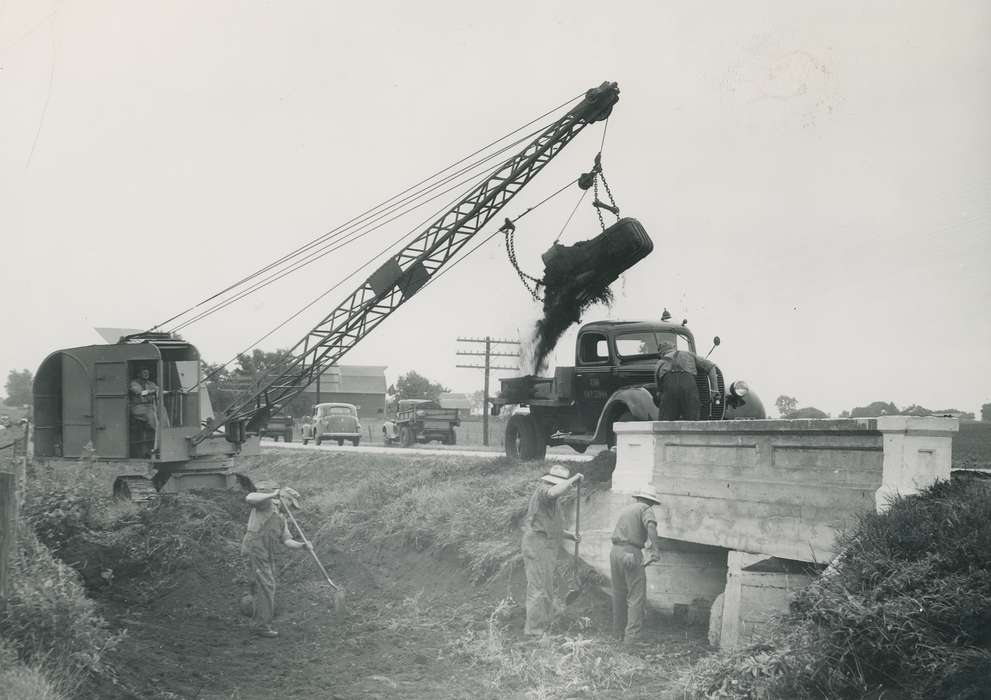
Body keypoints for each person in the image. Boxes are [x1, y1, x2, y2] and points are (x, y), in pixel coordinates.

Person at [241, 485, 311, 638]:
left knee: (258, 584)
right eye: (291, 505)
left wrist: (302, 545)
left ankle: (251, 611)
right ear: (284, 499)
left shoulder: (281, 518)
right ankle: (262, 626)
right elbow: (250, 497)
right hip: (255, 547)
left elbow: (287, 540)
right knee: (267, 585)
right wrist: (273, 494)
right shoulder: (267, 503)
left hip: (266, 552)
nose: (291, 509)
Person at [521, 464, 583, 637]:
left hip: (546, 545)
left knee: (546, 588)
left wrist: (570, 536)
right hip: (537, 545)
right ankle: (534, 630)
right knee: (538, 589)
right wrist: (573, 480)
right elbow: (554, 492)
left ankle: (542, 625)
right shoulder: (545, 491)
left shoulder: (551, 501)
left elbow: (550, 525)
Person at [610, 485, 663, 645]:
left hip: (615, 552)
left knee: (619, 594)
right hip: (631, 553)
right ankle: (632, 639)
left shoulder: (628, 509)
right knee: (636, 596)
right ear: (650, 501)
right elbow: (651, 526)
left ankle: (617, 633)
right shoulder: (646, 509)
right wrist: (655, 549)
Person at [653, 342, 720, 420]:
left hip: (669, 389)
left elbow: (658, 391)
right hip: (689, 386)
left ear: (661, 353)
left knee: (665, 423)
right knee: (692, 421)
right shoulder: (688, 354)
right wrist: (714, 390)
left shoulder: (660, 362)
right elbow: (711, 367)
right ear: (674, 348)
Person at [129, 367, 168, 433]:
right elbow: (140, 392)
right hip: (138, 407)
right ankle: (159, 433)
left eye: (147, 373)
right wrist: (153, 391)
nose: (147, 374)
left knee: (162, 409)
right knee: (150, 413)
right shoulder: (133, 383)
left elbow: (158, 390)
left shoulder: (151, 383)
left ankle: (166, 430)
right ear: (138, 374)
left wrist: (167, 392)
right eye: (144, 373)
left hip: (149, 406)